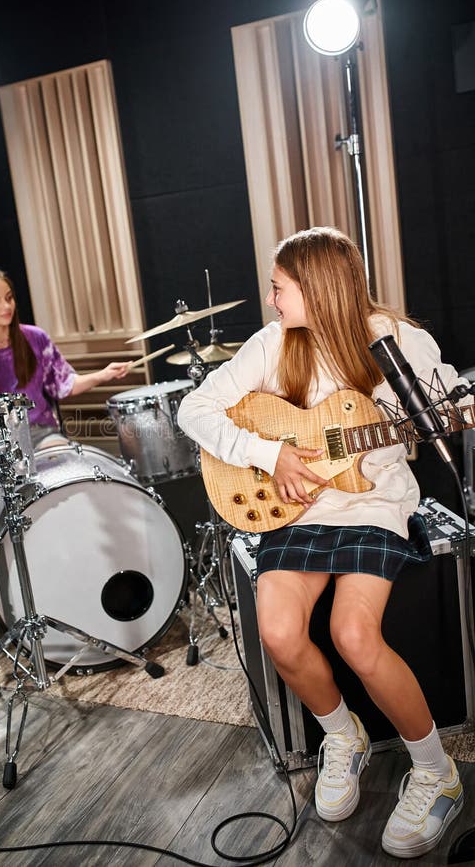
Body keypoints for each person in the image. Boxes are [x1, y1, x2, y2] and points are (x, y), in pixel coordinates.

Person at [177, 226, 467, 859]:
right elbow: (194, 410)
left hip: (373, 503)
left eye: (281, 288)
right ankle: (344, 735)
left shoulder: (397, 341)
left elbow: (444, 406)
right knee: (279, 633)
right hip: (299, 510)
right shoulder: (275, 342)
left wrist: (445, 409)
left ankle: (436, 773)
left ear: (315, 289)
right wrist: (267, 452)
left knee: (353, 636)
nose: (274, 299)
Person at [0, 257, 132, 515]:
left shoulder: (36, 339)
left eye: (9, 297)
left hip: (41, 434)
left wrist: (103, 374)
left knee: (66, 464)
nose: (7, 306)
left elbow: (64, 385)